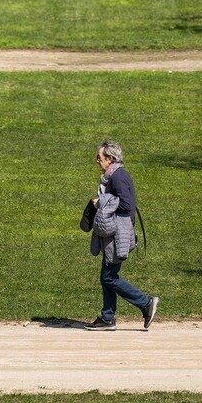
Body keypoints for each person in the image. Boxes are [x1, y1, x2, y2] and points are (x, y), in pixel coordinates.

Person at [85, 141, 158, 330]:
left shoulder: (118, 177)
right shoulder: (113, 176)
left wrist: (101, 202)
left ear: (110, 159)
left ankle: (146, 303)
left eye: (99, 157)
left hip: (118, 236)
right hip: (112, 235)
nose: (97, 160)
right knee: (107, 275)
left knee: (109, 277)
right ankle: (107, 317)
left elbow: (127, 205)